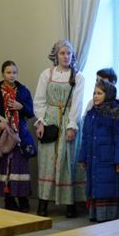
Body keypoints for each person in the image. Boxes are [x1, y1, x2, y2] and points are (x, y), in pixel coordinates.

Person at [34, 39, 86, 217]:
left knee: (68, 160)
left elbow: (77, 104)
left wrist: (72, 125)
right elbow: (39, 100)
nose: (66, 56)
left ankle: (70, 203)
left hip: (68, 119)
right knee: (47, 161)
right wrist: (40, 122)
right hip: (50, 121)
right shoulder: (46, 74)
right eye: (62, 53)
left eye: (69, 53)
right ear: (56, 55)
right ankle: (43, 201)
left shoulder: (78, 76)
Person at [0, 60, 36, 211]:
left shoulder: (23, 91)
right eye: (8, 72)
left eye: (14, 72)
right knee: (5, 167)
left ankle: (23, 199)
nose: (12, 75)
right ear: (3, 74)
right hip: (2, 137)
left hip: (19, 136)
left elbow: (31, 112)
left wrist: (21, 107)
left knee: (20, 168)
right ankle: (9, 199)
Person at [78, 79, 119, 222]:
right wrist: (83, 157)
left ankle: (110, 215)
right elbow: (85, 138)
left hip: (109, 159)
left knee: (108, 187)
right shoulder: (91, 114)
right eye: (94, 93)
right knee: (96, 186)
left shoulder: (116, 113)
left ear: (109, 94)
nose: (95, 96)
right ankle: (96, 214)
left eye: (99, 93)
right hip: (93, 159)